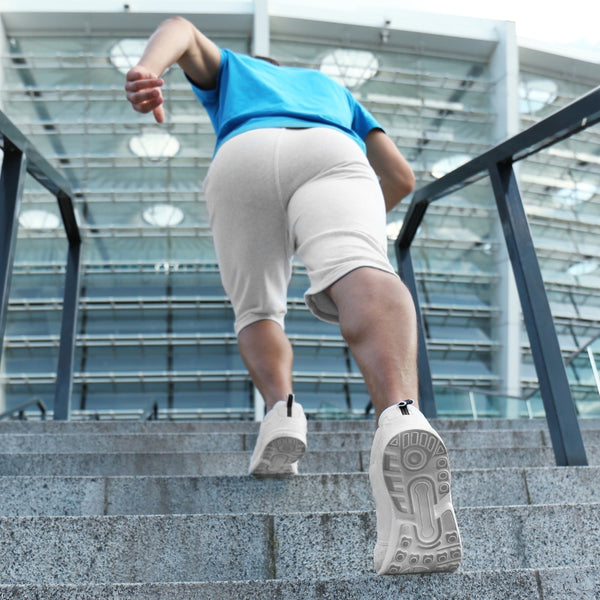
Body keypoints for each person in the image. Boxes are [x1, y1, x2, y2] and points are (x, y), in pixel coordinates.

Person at [125, 16, 462, 575]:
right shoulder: (334, 91)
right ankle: (403, 418)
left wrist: (147, 70)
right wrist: (337, 228)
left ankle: (280, 414)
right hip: (332, 149)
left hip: (244, 152)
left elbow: (182, 28)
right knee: (363, 269)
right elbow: (400, 177)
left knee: (257, 308)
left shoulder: (236, 73)